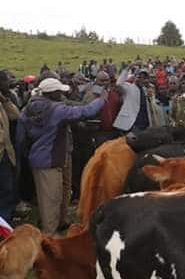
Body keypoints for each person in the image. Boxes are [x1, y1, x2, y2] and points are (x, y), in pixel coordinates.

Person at [16, 75, 106, 233]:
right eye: (59, 92)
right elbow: (86, 111)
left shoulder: (26, 110)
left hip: (51, 157)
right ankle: (49, 235)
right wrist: (102, 99)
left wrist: (27, 153)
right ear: (51, 93)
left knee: (61, 192)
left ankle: (61, 221)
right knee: (51, 199)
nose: (61, 95)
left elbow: (20, 137)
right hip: (51, 158)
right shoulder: (57, 110)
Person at [0, 71, 19, 223]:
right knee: (5, 189)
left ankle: (6, 221)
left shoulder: (2, 101)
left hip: (6, 152)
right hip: (2, 151)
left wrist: (5, 100)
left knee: (7, 188)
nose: (10, 83)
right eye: (7, 80)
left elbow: (15, 115)